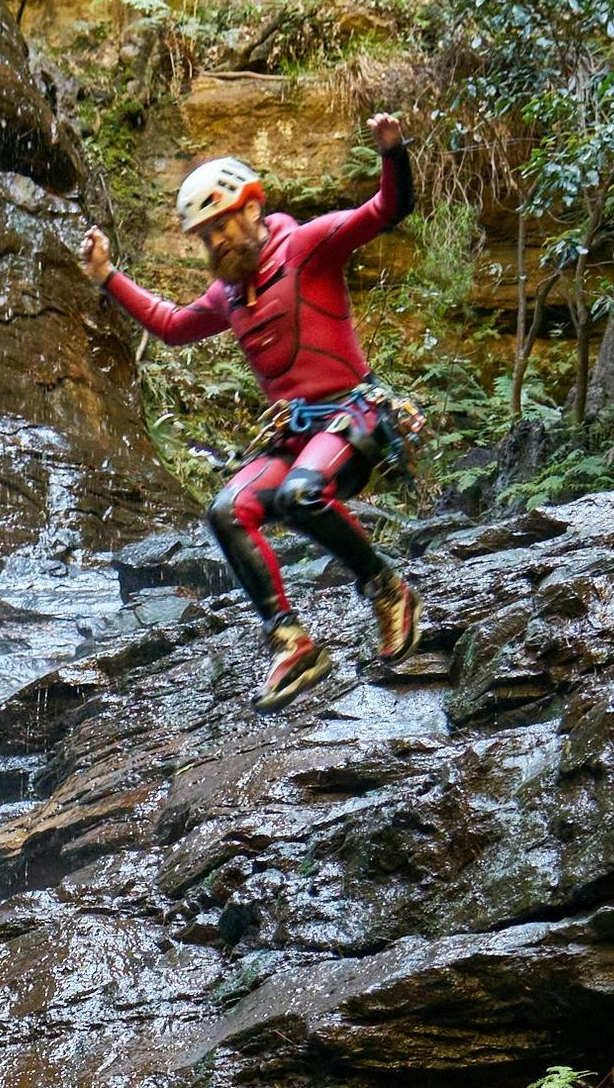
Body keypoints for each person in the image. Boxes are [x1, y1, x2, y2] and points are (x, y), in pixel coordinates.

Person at [79, 115, 424, 710]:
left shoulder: (308, 246)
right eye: (204, 236)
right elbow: (171, 325)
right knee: (226, 510)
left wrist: (393, 154)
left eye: (219, 227)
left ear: (249, 208)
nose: (214, 243)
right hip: (293, 435)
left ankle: (388, 590)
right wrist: (108, 277)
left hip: (353, 417)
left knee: (299, 495)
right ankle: (291, 641)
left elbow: (384, 211)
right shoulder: (228, 295)